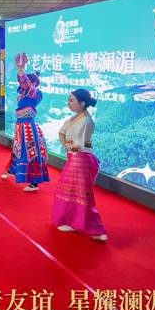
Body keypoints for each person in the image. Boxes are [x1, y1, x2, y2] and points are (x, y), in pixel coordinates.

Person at [53, 89, 108, 241]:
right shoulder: (76, 118)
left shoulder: (85, 121)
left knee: (82, 195)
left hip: (81, 160)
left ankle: (96, 229)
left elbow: (78, 146)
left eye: (71, 100)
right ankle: (72, 221)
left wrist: (68, 145)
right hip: (77, 158)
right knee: (71, 192)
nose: (68, 103)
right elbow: (62, 133)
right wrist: (67, 145)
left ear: (82, 103)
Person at [1, 53, 49, 191]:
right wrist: (20, 70)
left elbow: (25, 83)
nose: (21, 84)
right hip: (21, 125)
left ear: (32, 83)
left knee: (30, 151)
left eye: (25, 81)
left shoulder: (36, 93)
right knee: (17, 149)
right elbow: (24, 83)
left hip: (28, 126)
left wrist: (20, 68)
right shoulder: (25, 93)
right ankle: (12, 170)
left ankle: (34, 183)